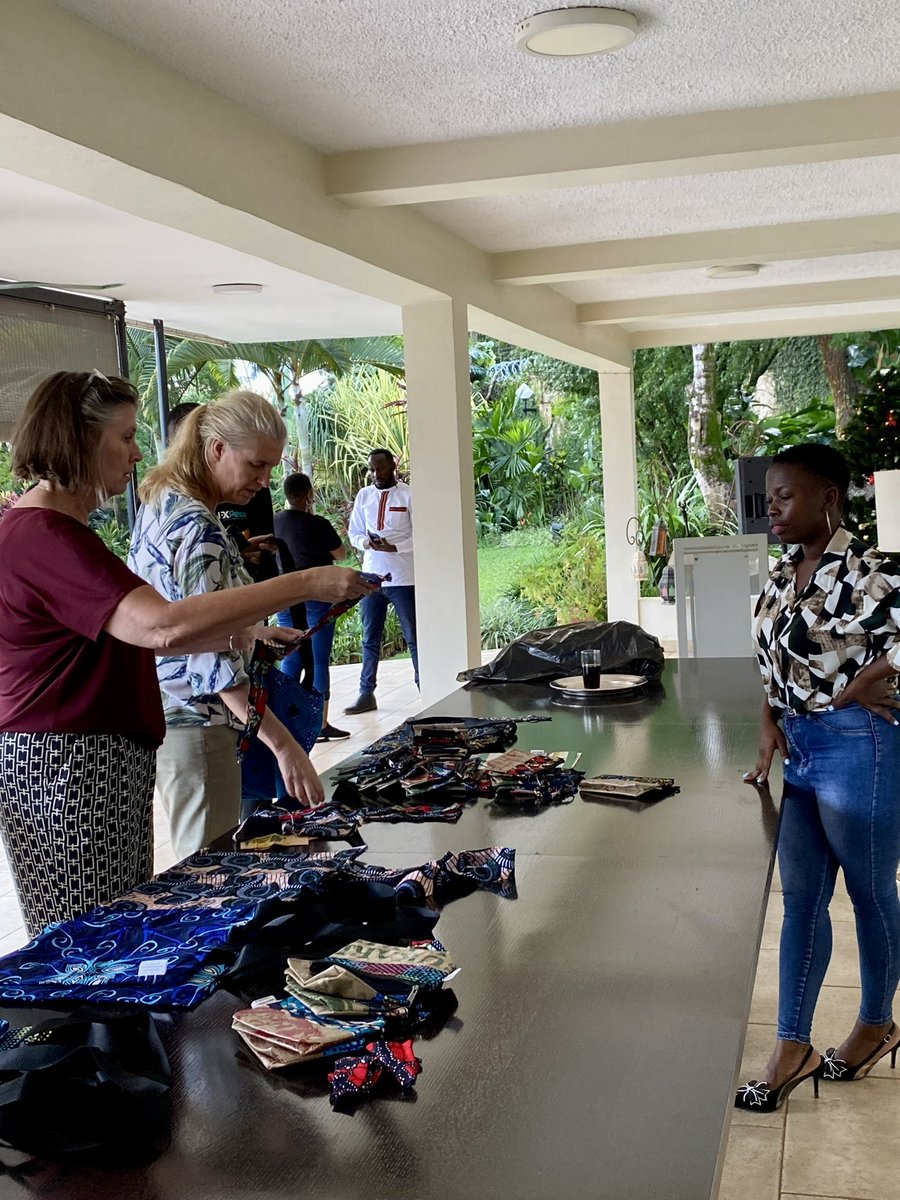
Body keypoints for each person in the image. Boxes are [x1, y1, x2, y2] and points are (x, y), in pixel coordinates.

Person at [0, 371, 371, 935]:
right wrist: (304, 584)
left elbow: (142, 633)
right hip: (68, 774)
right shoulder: (46, 536)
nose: (136, 453)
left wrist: (247, 632)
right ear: (78, 438)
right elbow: (164, 630)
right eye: (124, 437)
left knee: (110, 934)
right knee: (85, 947)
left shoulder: (57, 530)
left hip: (93, 765)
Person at [129, 391, 368, 860]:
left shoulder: (163, 502)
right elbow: (206, 654)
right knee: (207, 879)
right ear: (217, 448)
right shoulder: (198, 526)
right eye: (256, 465)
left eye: (270, 469)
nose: (263, 481)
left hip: (173, 715)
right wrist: (284, 747)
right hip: (199, 722)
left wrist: (256, 633)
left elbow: (189, 618)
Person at [735, 443, 900, 1113]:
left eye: (786, 495)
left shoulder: (872, 575)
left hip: (859, 749)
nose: (772, 507)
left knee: (869, 894)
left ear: (828, 497)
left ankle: (873, 1024)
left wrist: (874, 682)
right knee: (799, 899)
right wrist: (769, 717)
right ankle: (792, 1046)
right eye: (769, 496)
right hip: (801, 752)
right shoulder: (782, 574)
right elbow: (775, 661)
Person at [274, 472, 350, 741]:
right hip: (318, 596)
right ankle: (319, 724)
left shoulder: (275, 522)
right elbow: (341, 553)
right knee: (318, 659)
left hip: (285, 595)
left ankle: (287, 720)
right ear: (309, 495)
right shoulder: (317, 523)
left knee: (291, 654)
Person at [344, 448, 419, 715]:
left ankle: (426, 689)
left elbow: (423, 534)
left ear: (393, 467)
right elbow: (354, 533)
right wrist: (367, 542)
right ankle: (366, 693)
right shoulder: (364, 496)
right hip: (372, 577)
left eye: (380, 468)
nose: (376, 474)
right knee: (370, 638)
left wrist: (395, 548)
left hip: (403, 578)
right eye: (372, 469)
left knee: (413, 637)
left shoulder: (409, 495)